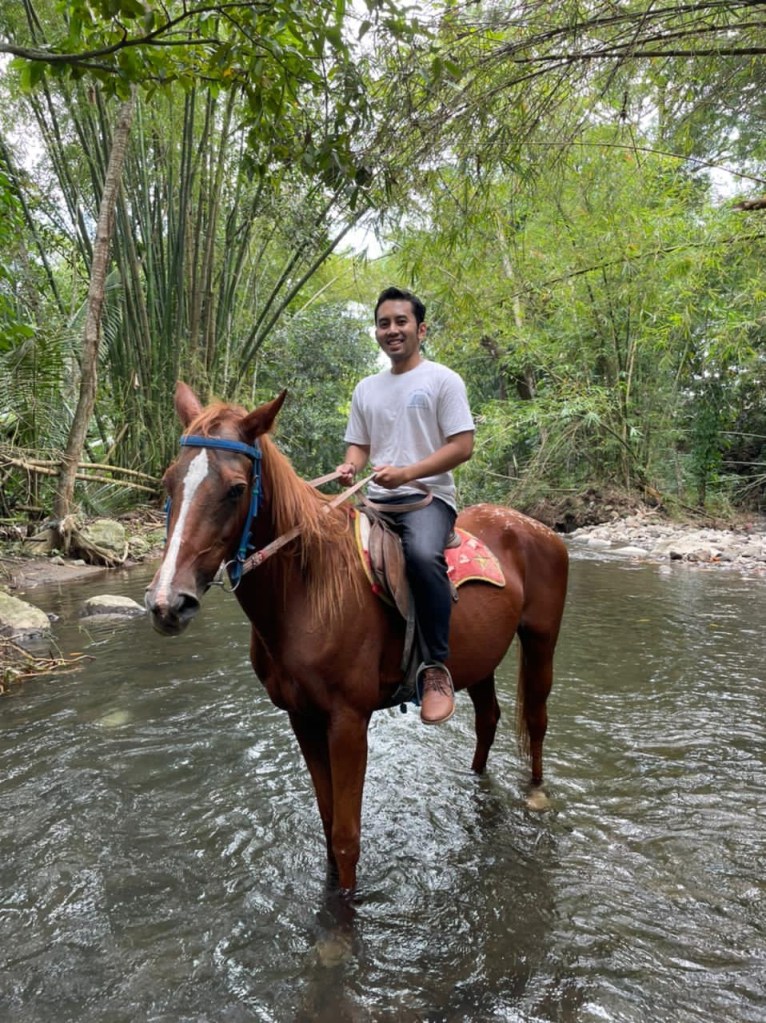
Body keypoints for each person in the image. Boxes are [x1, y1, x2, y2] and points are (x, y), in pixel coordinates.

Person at [336, 286, 475, 724]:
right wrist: (350, 467)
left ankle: (435, 668)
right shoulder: (366, 388)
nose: (392, 330)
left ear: (421, 329)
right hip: (376, 502)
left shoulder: (442, 380)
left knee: (420, 556)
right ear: (376, 331)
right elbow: (358, 445)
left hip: (427, 499)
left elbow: (463, 446)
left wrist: (409, 473)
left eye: (401, 322)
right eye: (384, 323)